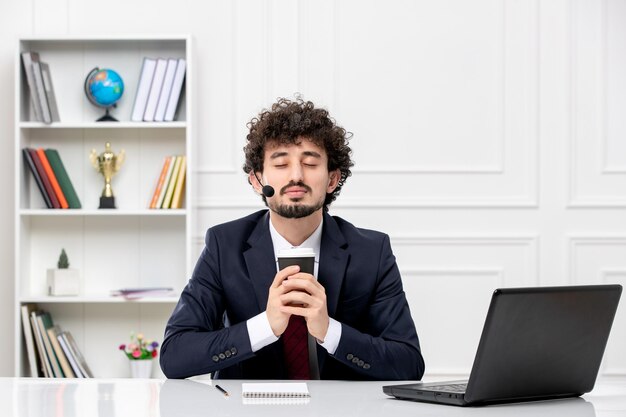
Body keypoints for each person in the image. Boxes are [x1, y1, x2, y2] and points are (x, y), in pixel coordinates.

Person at [160, 97, 425, 380]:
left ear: (332, 179)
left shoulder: (372, 251)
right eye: (281, 163)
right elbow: (175, 356)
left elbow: (408, 363)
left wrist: (330, 331)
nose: (296, 176)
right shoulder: (224, 245)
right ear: (257, 180)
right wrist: (265, 326)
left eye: (310, 163)